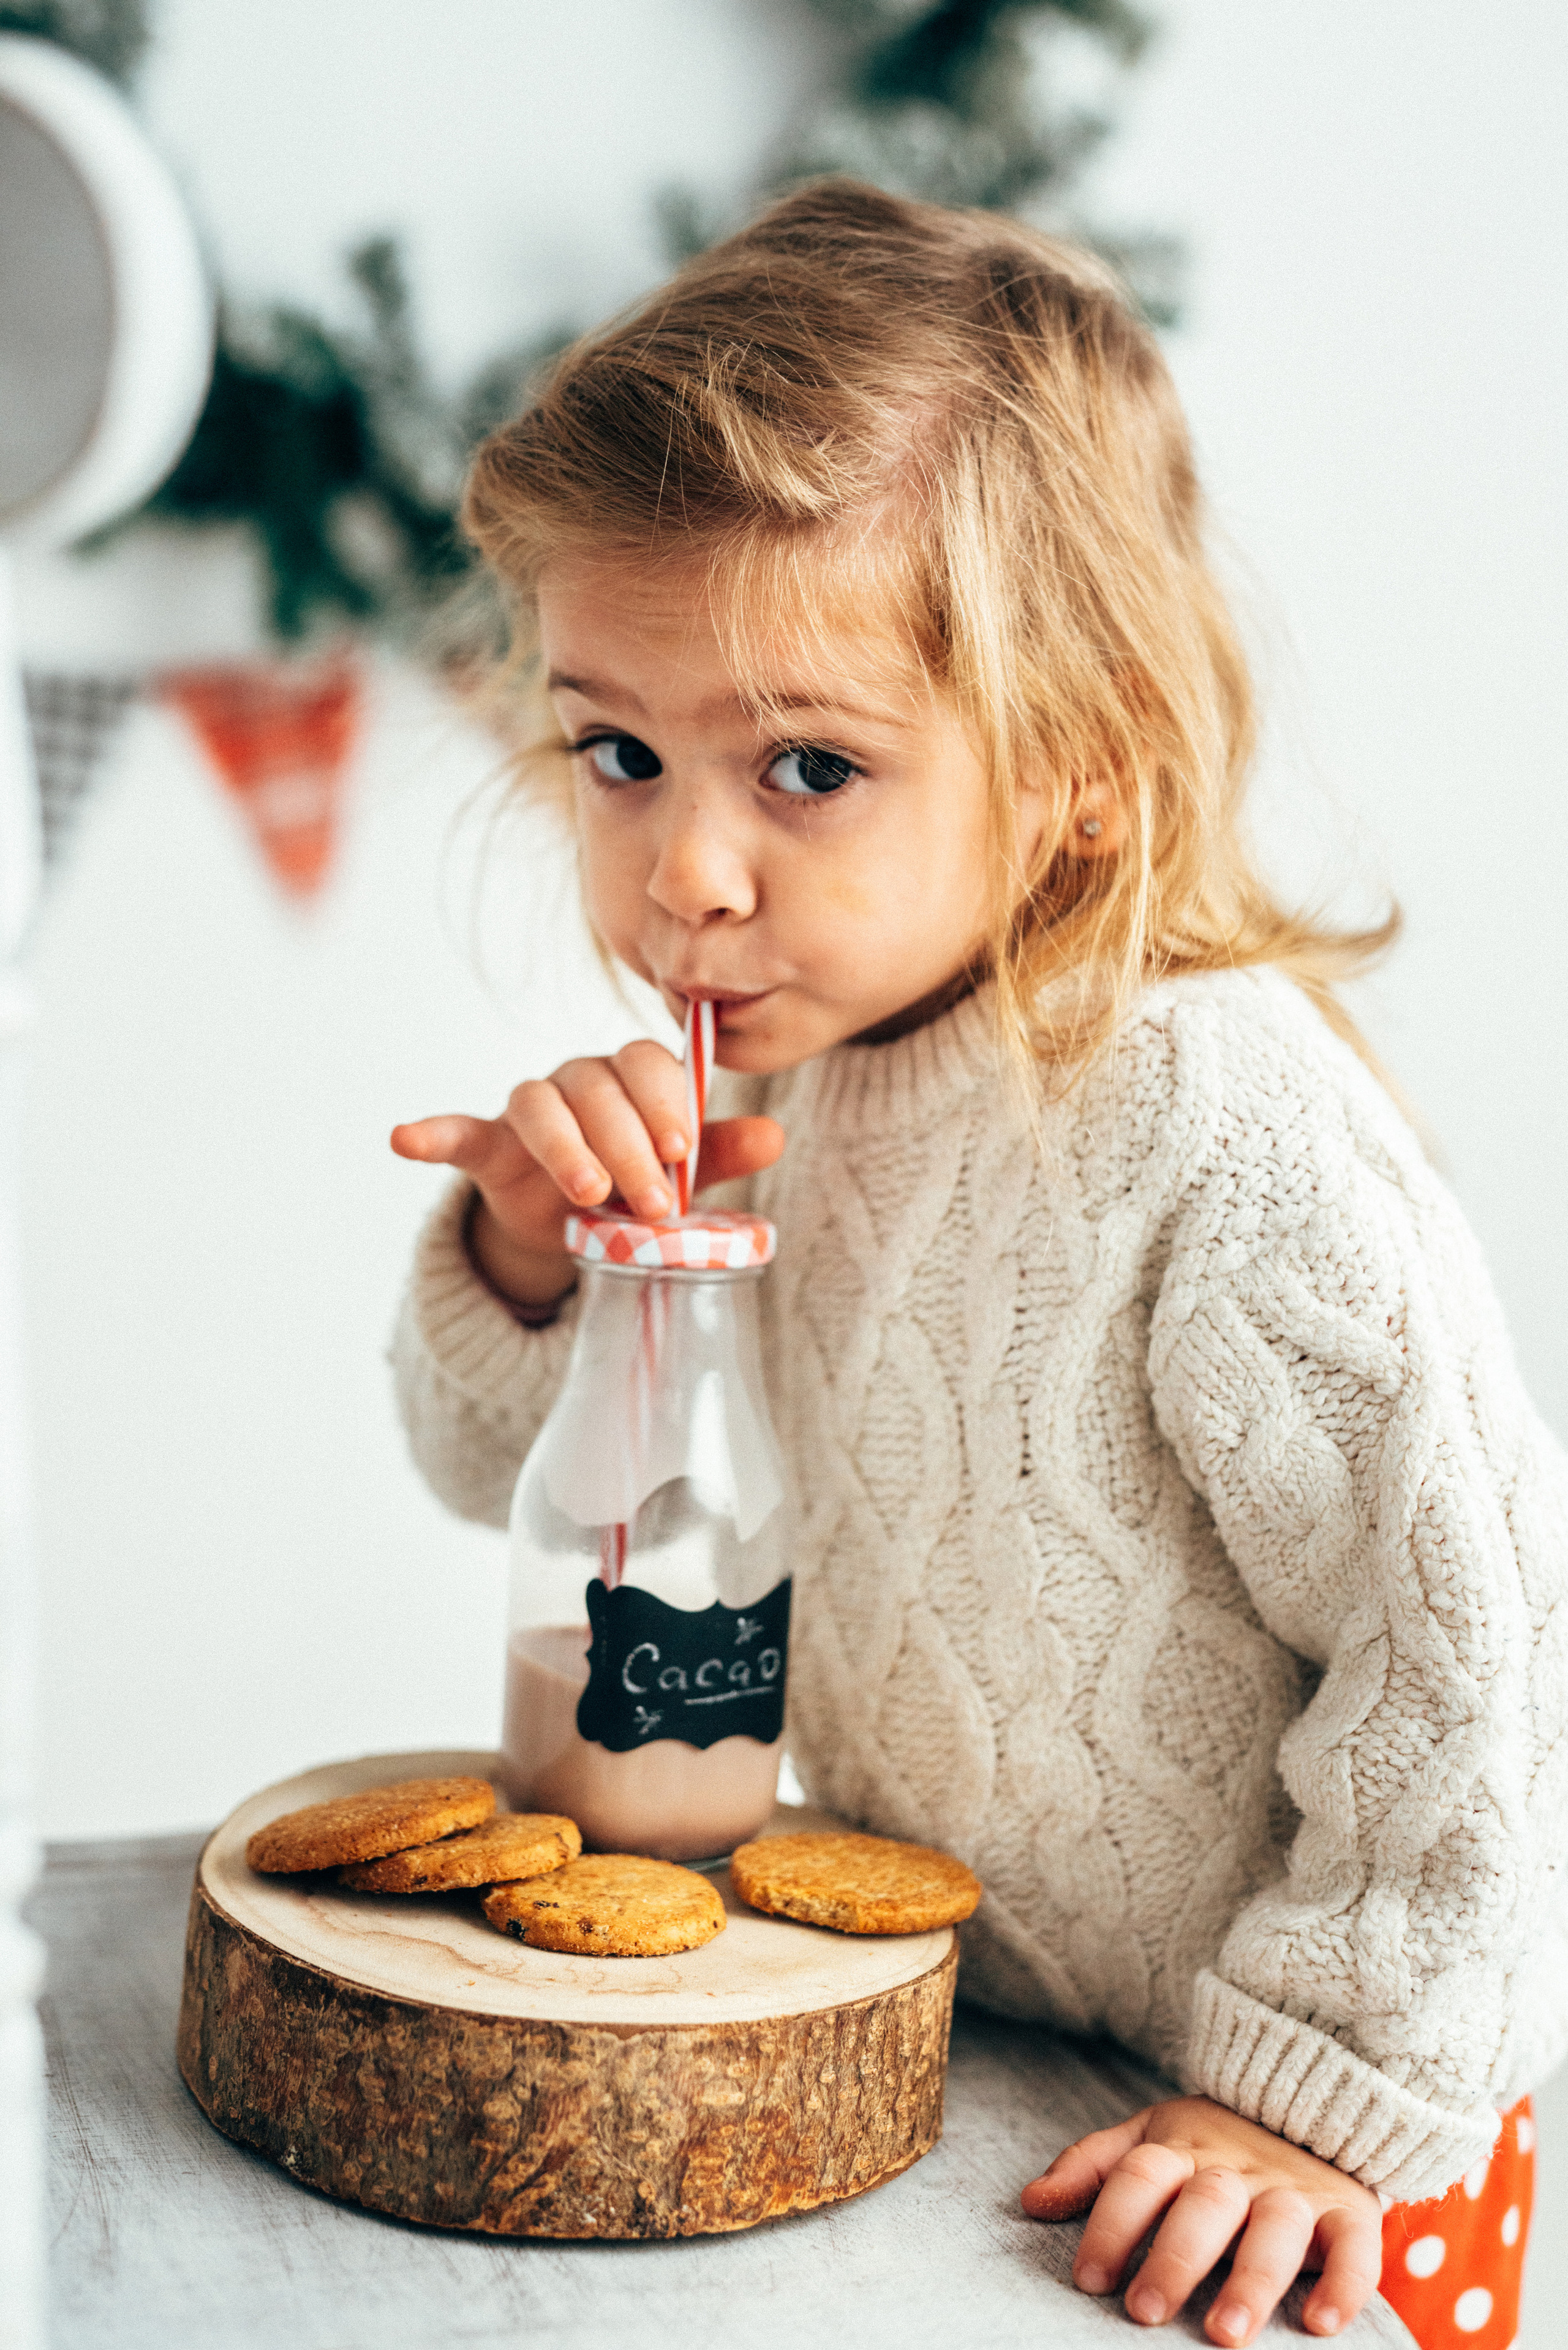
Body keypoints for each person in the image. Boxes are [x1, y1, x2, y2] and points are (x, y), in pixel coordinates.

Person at [389, 181, 1564, 2347]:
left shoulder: (1214, 1112)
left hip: (1312, 2155)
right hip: (989, 2066)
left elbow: (1478, 1643)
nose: (686, 870)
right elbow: (517, 1490)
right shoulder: (776, 1087)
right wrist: (540, 1261)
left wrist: (1333, 2098)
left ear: (1080, 785)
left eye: (807, 766)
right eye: (617, 750)